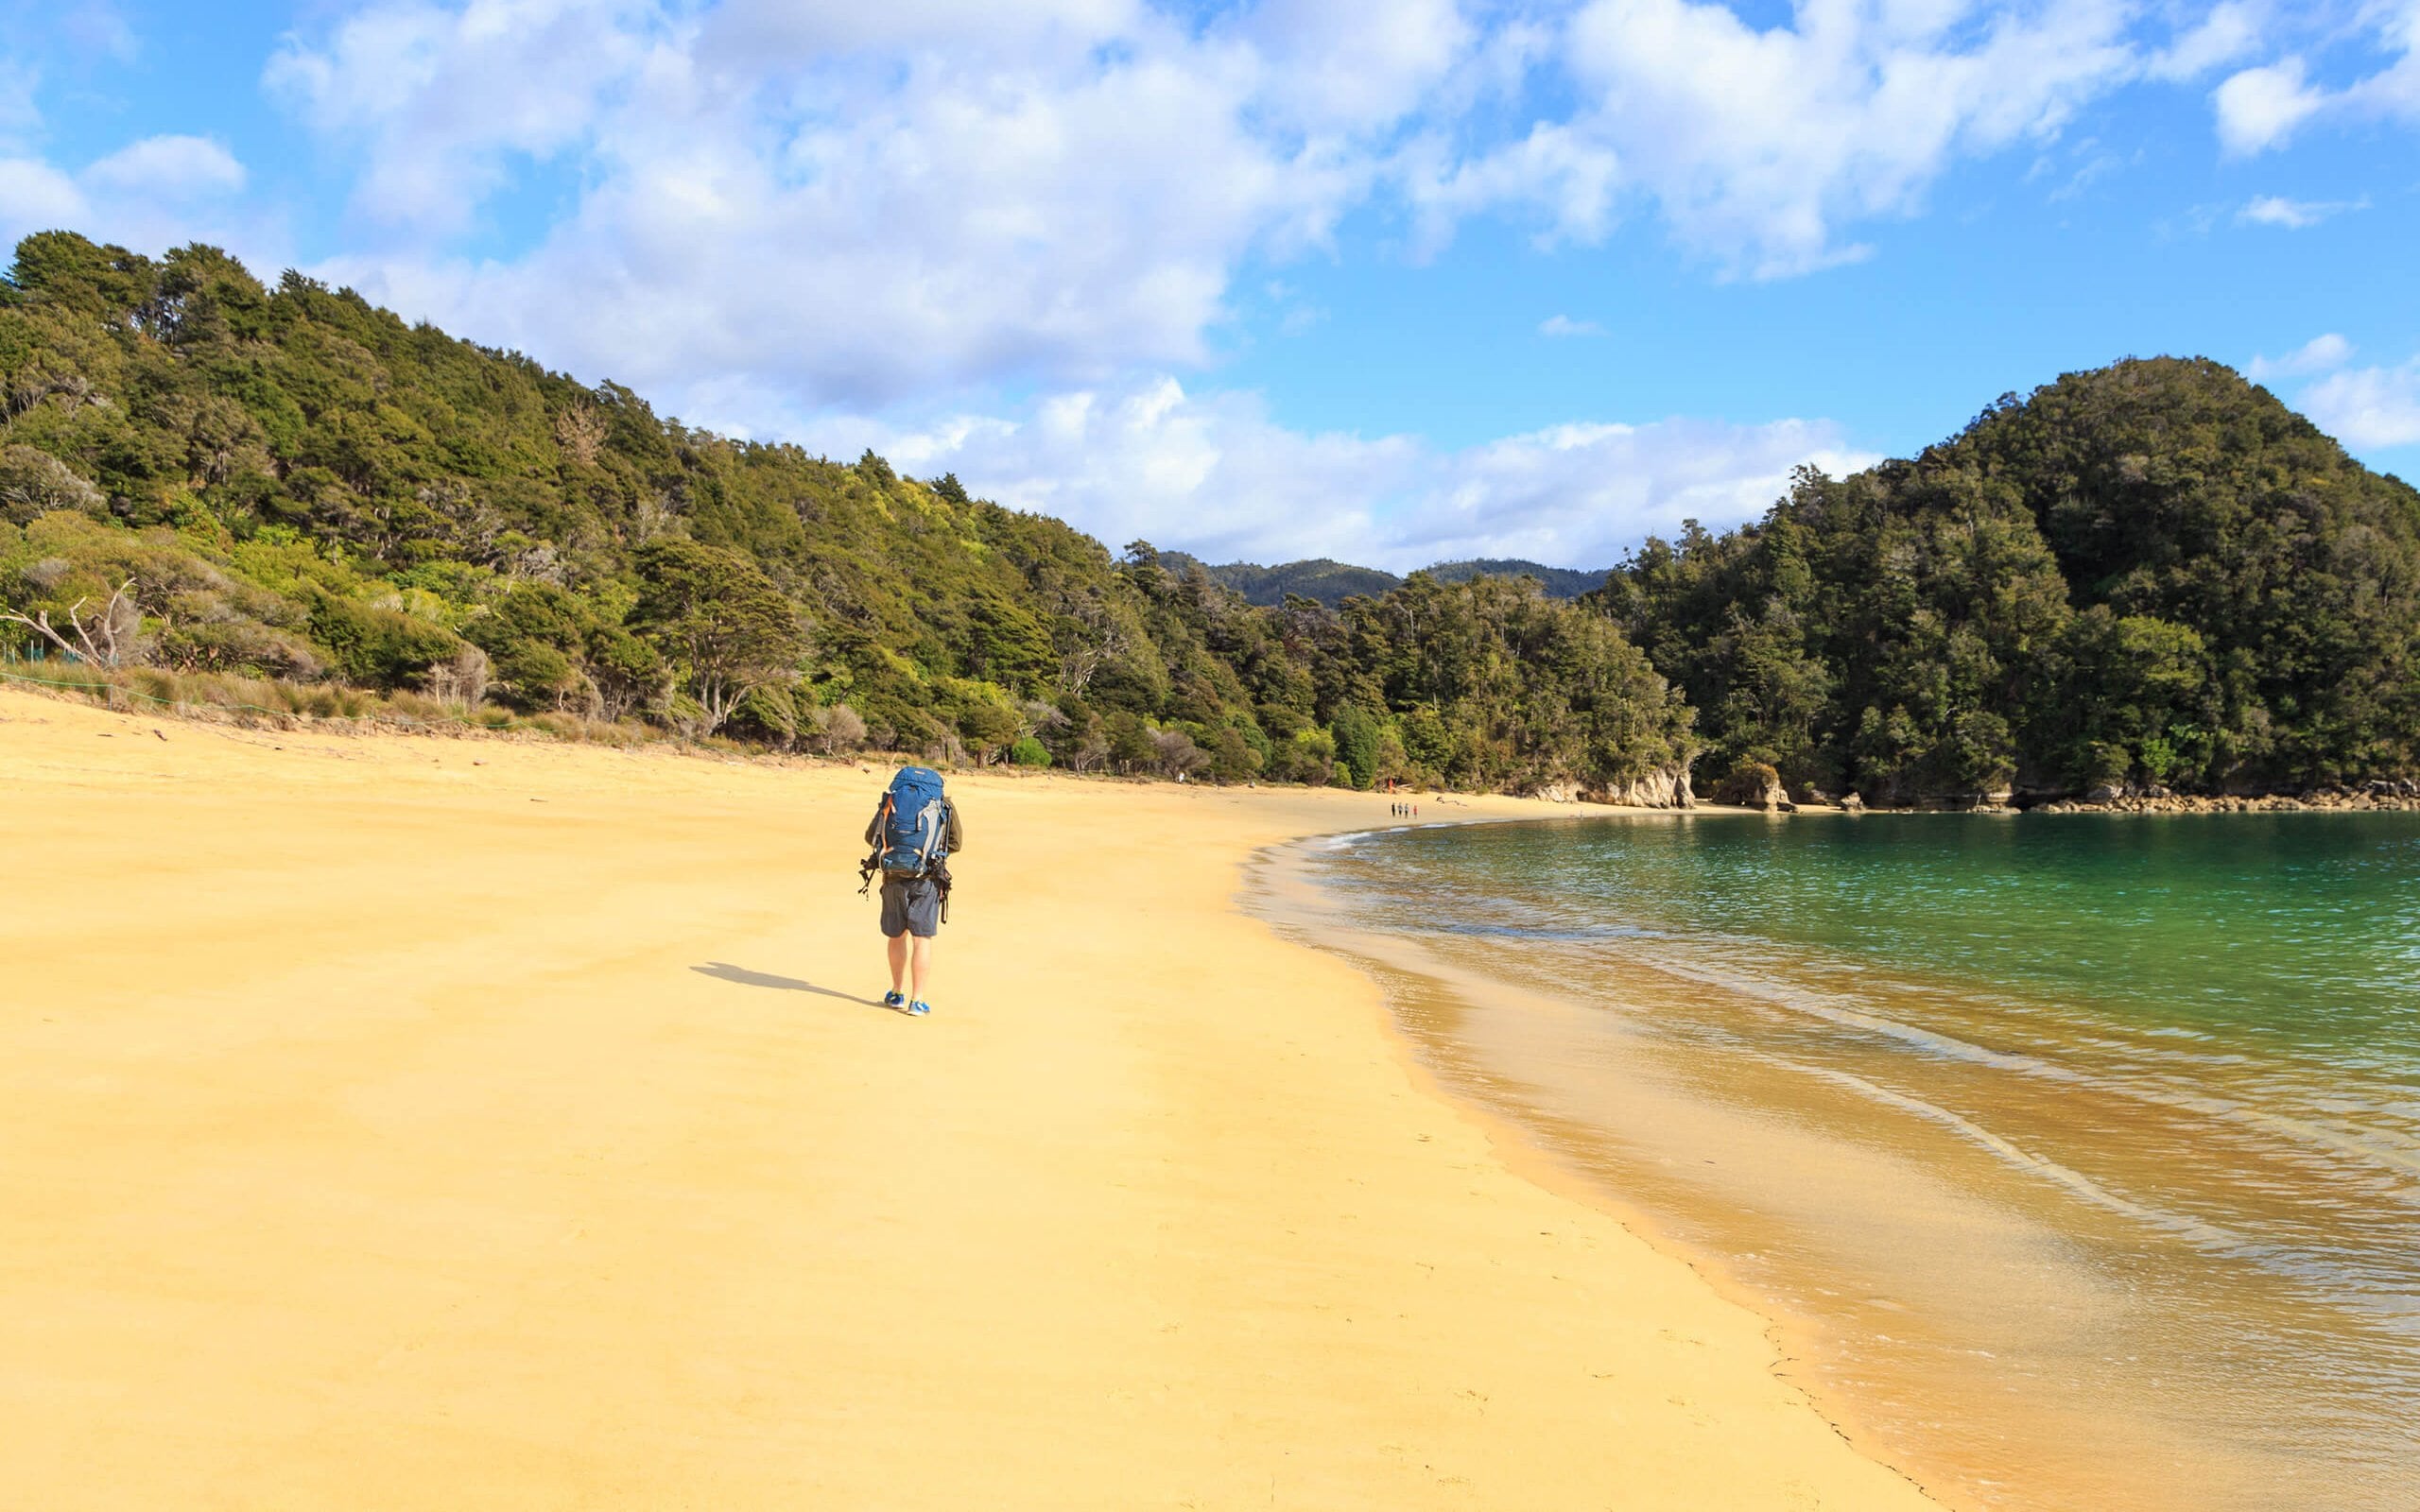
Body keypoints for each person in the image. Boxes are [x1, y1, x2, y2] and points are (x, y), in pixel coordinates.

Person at [861, 765, 964, 1017]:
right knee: (922, 938)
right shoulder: (943, 804)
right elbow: (956, 843)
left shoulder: (891, 800)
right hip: (927, 878)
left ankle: (897, 993)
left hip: (892, 876)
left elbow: (870, 837)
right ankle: (917, 1001)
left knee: (896, 936)